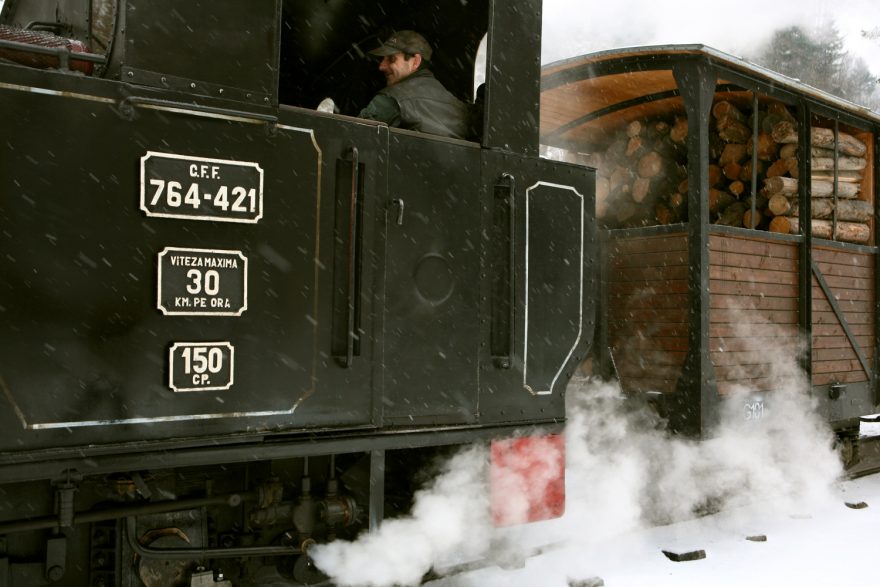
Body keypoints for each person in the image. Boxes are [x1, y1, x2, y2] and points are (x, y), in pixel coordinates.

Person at [358, 30, 469, 140]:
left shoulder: (392, 99)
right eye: (383, 59)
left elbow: (354, 138)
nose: (381, 66)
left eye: (391, 59)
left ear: (415, 61)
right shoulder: (457, 107)